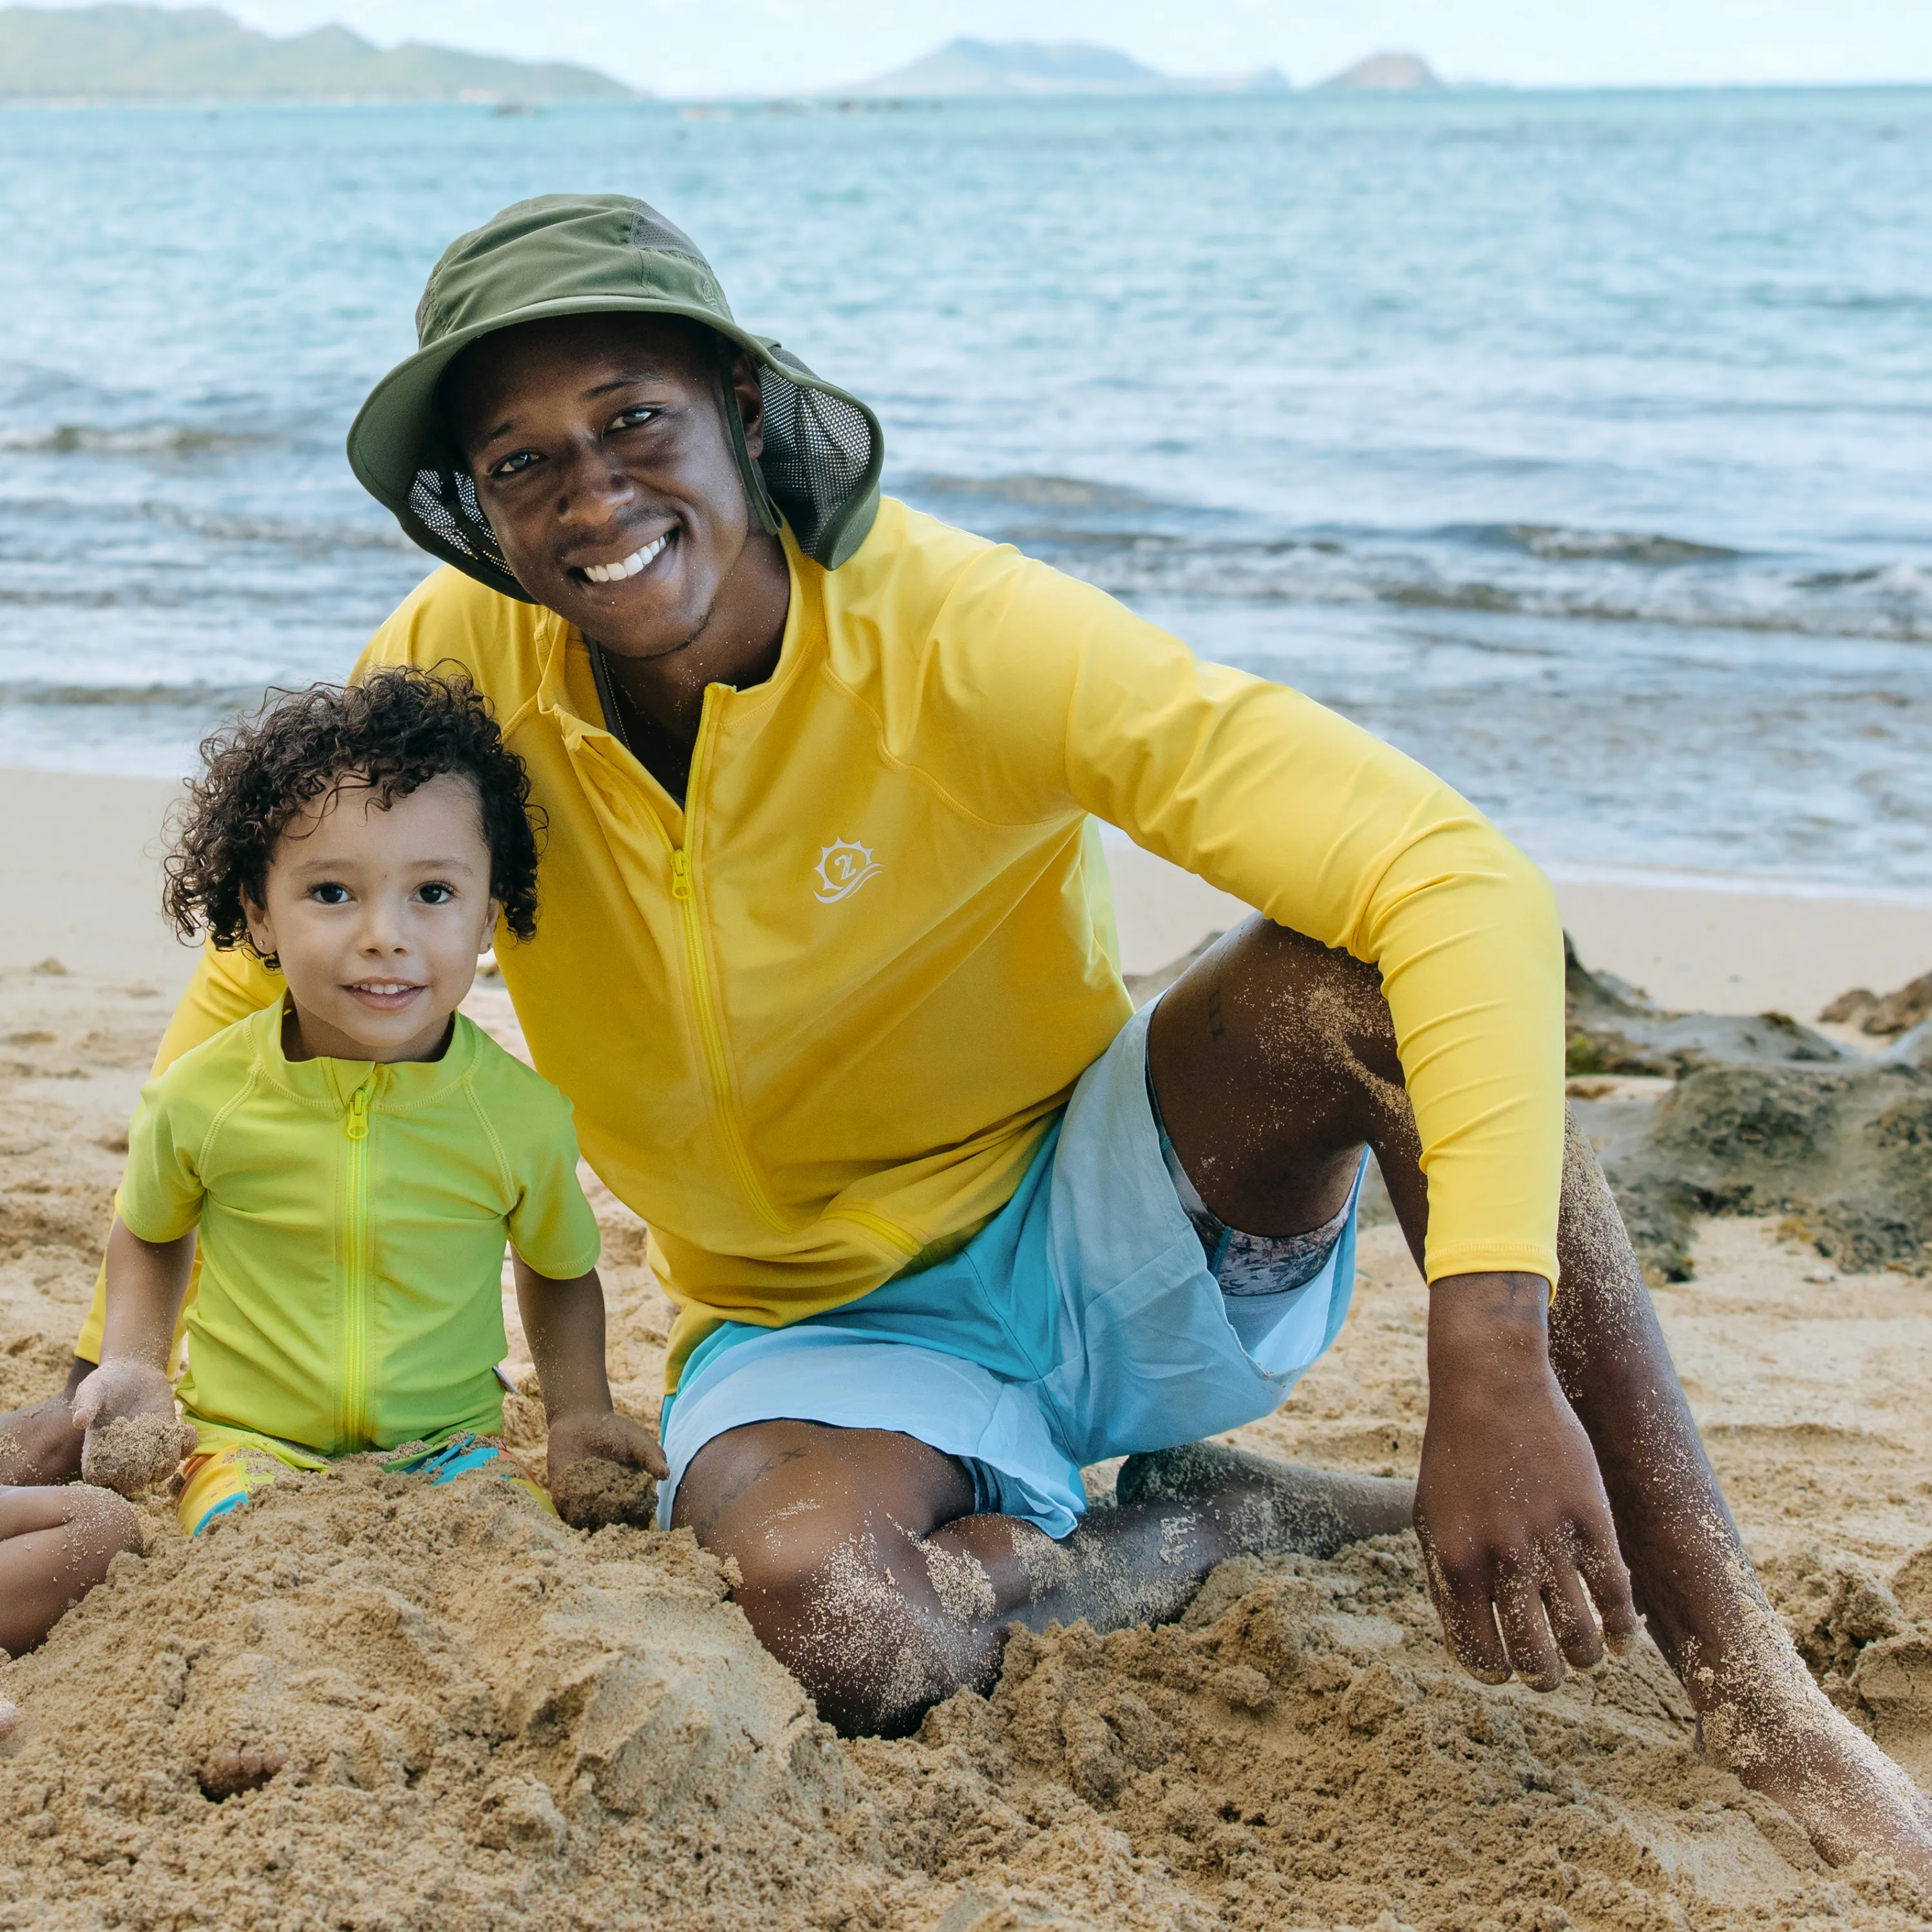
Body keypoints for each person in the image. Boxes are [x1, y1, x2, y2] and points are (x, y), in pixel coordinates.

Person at [5, 195, 1926, 1875]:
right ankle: (1177, 1540)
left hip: (1114, 1213)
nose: (588, 497)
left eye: (633, 422)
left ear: (745, 415)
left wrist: (1488, 1346)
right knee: (819, 1614)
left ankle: (1761, 1696)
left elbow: (1459, 875)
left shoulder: (960, 632)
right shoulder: (455, 669)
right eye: (520, 465)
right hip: (817, 1330)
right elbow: (273, 993)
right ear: (473, 504)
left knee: (1348, 982)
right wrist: (118, 1370)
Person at [67, 667, 664, 1535]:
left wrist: (578, 1414)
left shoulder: (518, 1116)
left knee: (510, 1538)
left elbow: (561, 1270)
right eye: (332, 893)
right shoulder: (204, 1095)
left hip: (450, 1442)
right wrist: (129, 1361)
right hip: (245, 1438)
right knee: (245, 1540)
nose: (385, 934)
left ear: (488, 920)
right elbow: (152, 1232)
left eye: (433, 894)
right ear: (260, 915)